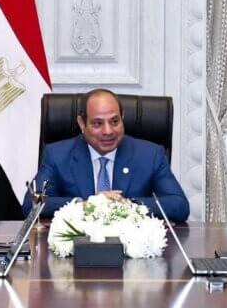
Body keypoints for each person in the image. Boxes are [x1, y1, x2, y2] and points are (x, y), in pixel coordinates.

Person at [22, 89, 190, 221]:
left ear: (122, 118)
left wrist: (126, 205)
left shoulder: (150, 155)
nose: (108, 131)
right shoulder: (57, 155)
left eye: (114, 121)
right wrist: (87, 204)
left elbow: (179, 206)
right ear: (82, 123)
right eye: (97, 123)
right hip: (77, 246)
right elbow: (31, 205)